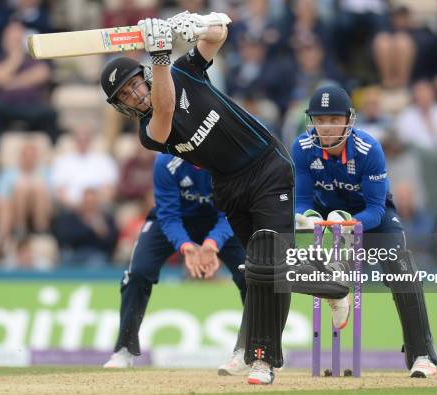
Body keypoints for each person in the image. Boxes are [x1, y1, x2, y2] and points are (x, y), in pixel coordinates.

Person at [99, 11, 349, 385]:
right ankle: (331, 284)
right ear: (123, 107)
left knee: (269, 267)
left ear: (144, 77)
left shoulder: (184, 70)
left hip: (266, 166)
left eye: (135, 85)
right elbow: (165, 109)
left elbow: (219, 34)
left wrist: (198, 25)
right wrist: (160, 56)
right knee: (264, 270)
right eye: (126, 96)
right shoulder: (150, 133)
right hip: (229, 188)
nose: (135, 95)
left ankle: (264, 361)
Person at [291, 85, 437, 378]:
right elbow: (303, 201)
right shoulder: (302, 147)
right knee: (289, 255)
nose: (327, 127)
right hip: (327, 221)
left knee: (401, 268)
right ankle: (332, 293)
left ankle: (421, 353)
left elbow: (375, 208)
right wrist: (305, 219)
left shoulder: (368, 148)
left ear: (348, 120)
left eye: (334, 120)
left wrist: (345, 222)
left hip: (374, 221)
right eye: (320, 120)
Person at [103, 153, 249, 376]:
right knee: (138, 273)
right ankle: (124, 349)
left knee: (253, 276)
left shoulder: (227, 157)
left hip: (219, 221)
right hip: (173, 220)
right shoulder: (166, 161)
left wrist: (211, 244)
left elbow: (230, 212)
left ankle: (251, 350)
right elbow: (169, 216)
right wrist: (186, 247)